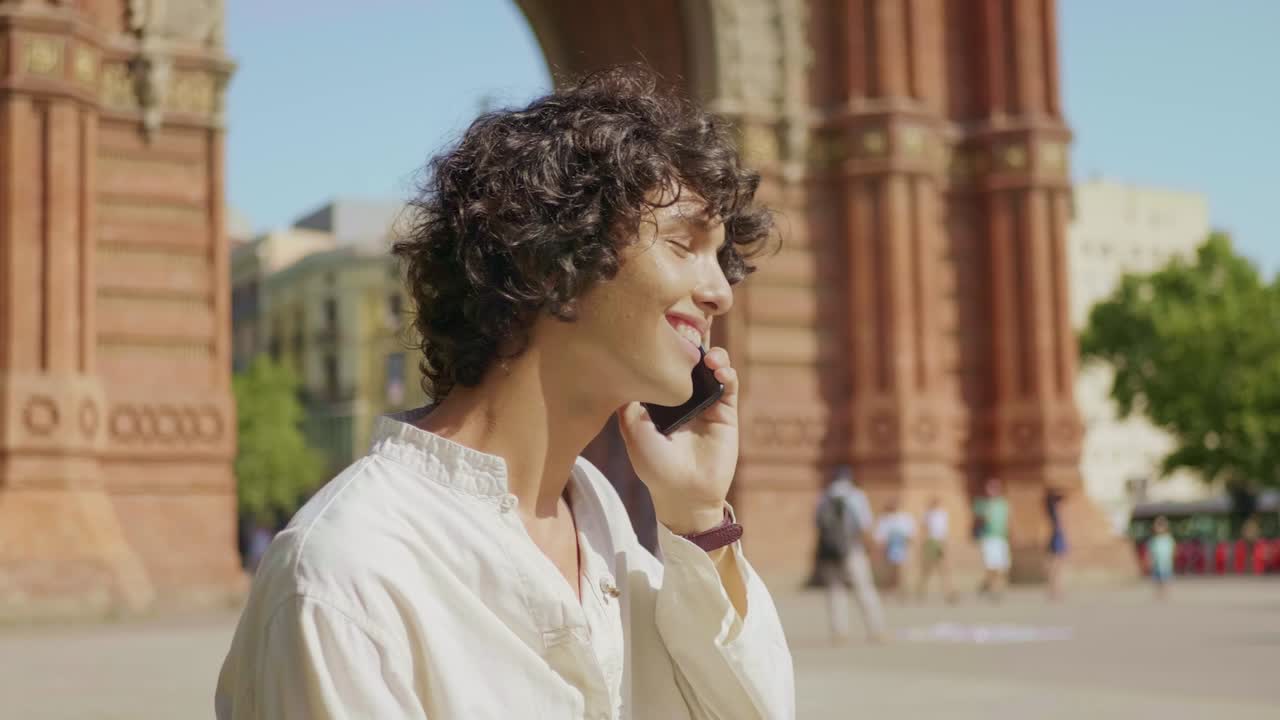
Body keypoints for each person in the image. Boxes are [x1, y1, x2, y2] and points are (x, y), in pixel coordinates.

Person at [215, 66, 795, 719]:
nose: (720, 290)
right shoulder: (349, 573)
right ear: (554, 257)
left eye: (721, 259)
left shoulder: (595, 517)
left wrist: (700, 516)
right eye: (686, 245)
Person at [815, 465, 886, 644]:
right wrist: (871, 547)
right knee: (864, 589)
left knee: (835, 591)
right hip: (852, 549)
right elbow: (864, 525)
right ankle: (876, 630)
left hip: (830, 552)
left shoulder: (824, 496)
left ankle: (839, 633)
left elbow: (817, 525)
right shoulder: (856, 496)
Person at [972, 478, 1011, 601]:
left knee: (1003, 567)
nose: (992, 490)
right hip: (989, 539)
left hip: (1001, 538)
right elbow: (977, 521)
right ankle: (993, 591)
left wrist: (1011, 535)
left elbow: (1008, 521)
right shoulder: (982, 505)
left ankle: (991, 588)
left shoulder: (1004, 504)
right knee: (991, 567)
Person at [915, 495, 956, 603]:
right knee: (927, 570)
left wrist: (945, 545)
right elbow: (924, 529)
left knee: (943, 568)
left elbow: (944, 531)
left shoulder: (942, 514)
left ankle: (948, 592)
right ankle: (921, 591)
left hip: (939, 543)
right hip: (930, 542)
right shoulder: (927, 514)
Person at [874, 499, 915, 603]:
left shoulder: (905, 518)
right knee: (889, 572)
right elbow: (880, 537)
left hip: (901, 548)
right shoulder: (884, 519)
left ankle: (901, 593)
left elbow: (910, 535)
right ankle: (888, 592)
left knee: (901, 572)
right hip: (888, 549)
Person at [1044, 488, 1068, 601]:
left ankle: (1055, 589)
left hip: (1057, 537)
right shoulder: (1054, 511)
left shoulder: (1051, 510)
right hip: (1057, 537)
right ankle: (1055, 589)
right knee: (1057, 566)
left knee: (1056, 565)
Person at [1147, 515, 1176, 601]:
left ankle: (1165, 593)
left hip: (1166, 564)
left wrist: (1172, 559)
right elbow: (1150, 552)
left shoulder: (1168, 539)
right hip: (1156, 564)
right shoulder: (1154, 540)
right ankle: (1159, 594)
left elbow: (1173, 550)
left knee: (1165, 579)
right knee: (1157, 580)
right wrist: (1150, 560)